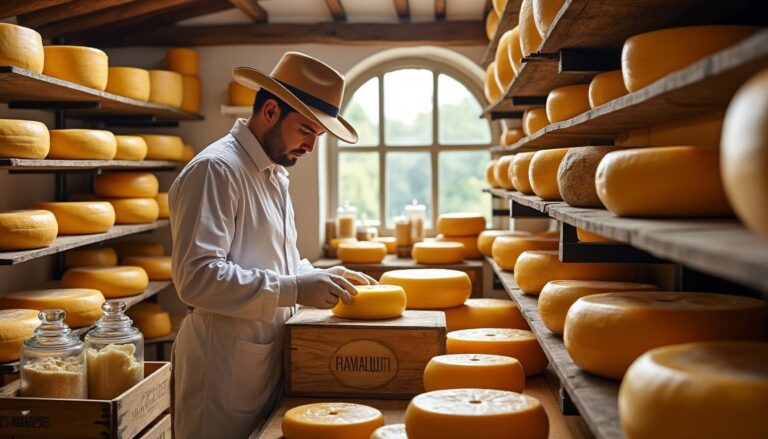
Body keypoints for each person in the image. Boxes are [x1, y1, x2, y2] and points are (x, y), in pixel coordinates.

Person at [168, 52, 376, 438]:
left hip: (262, 362)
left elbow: (278, 260)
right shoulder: (216, 170)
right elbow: (196, 278)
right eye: (306, 130)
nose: (311, 146)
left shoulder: (273, 173)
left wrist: (317, 274)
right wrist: (295, 289)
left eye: (318, 136)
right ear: (269, 111)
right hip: (221, 370)